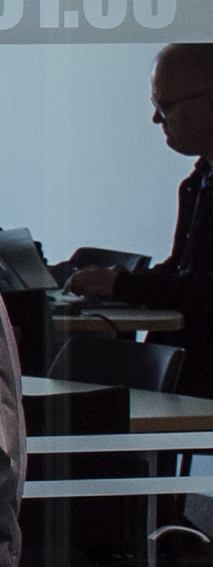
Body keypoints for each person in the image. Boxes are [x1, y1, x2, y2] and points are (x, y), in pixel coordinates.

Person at [66, 42, 213, 342]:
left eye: (165, 105)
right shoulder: (197, 183)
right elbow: (183, 273)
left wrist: (123, 285)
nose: (156, 118)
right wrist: (124, 281)